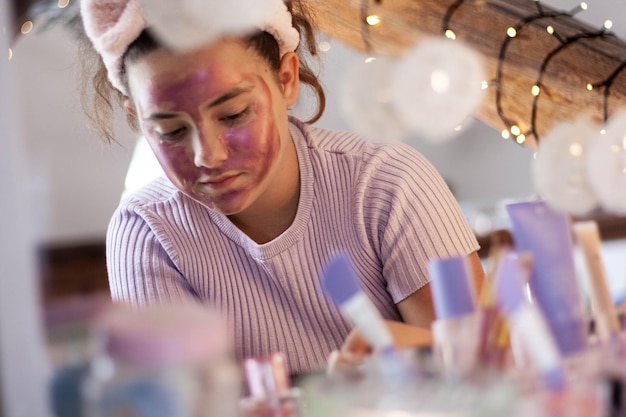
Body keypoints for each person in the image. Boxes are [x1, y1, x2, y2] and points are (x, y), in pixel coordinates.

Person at [79, 0, 484, 375]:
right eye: (170, 131)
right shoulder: (147, 232)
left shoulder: (388, 182)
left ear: (287, 79)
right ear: (137, 117)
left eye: (234, 114)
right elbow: (181, 402)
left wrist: (423, 356)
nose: (208, 156)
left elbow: (486, 374)